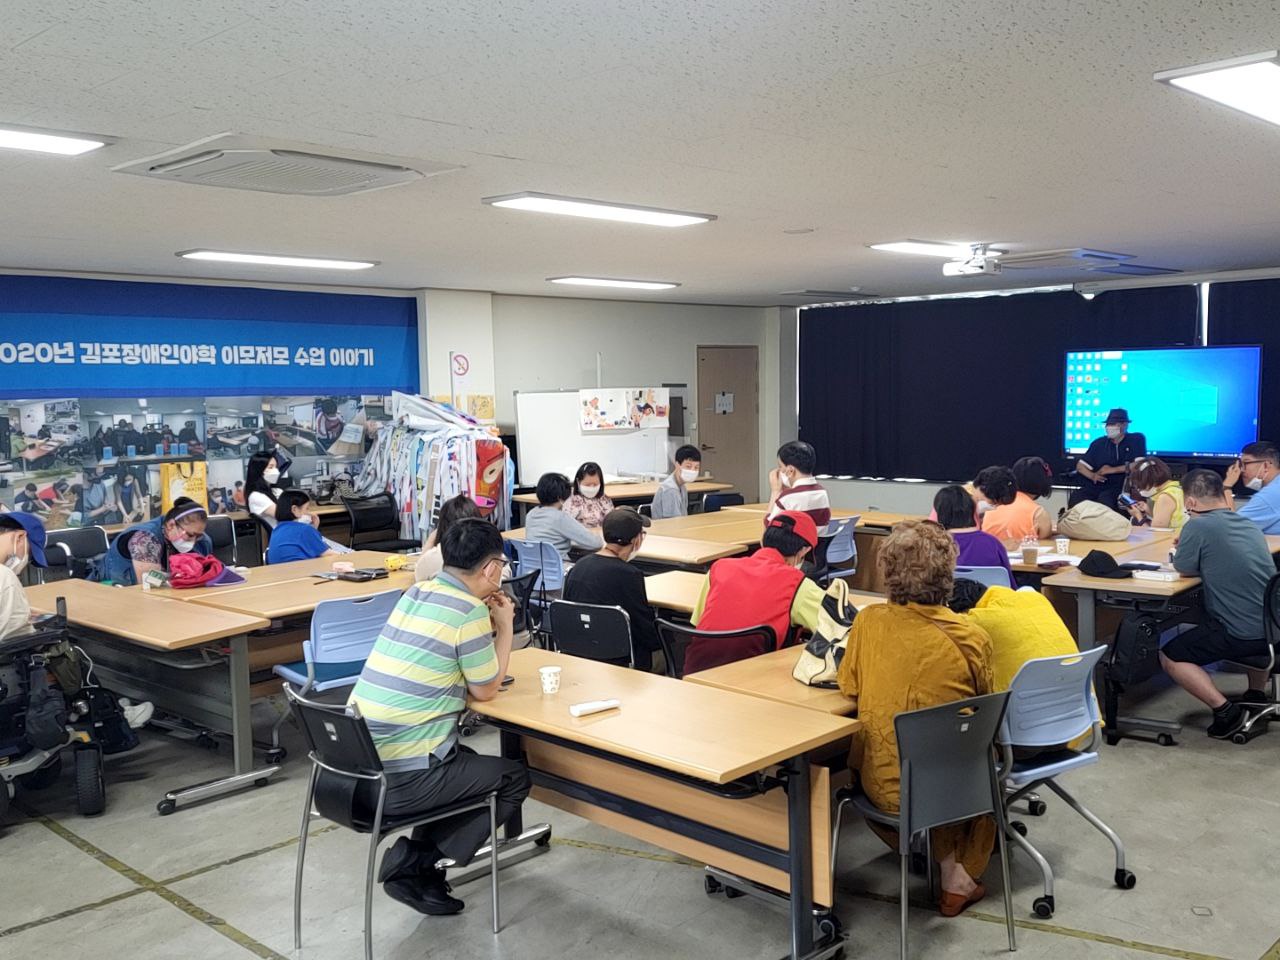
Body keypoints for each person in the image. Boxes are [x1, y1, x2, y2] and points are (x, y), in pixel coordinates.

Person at [348, 519, 531, 916]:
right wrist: (504, 626)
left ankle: (418, 869)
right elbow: (485, 690)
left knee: (465, 763)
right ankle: (416, 863)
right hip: (402, 775)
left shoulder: (416, 591)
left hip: (355, 767)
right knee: (511, 777)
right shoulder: (467, 612)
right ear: (491, 569)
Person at [836, 520, 995, 917]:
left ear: (887, 572)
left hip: (884, 787)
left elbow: (848, 686)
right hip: (959, 790)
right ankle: (956, 873)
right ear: (947, 573)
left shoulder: (869, 622)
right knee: (957, 751)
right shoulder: (972, 637)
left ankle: (929, 856)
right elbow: (985, 705)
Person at [1162, 469, 1276, 740]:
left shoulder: (1198, 525)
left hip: (1242, 633)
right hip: (1273, 626)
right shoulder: (1246, 524)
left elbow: (1185, 567)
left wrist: (1185, 546)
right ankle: (1256, 693)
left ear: (1190, 503)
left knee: (1169, 655)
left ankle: (1225, 711)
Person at [687, 511, 825, 671]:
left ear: (763, 540)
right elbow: (838, 627)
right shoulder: (797, 583)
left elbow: (698, 622)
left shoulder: (718, 568)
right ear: (803, 551)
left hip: (696, 675)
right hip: (755, 680)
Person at [563, 507, 661, 671]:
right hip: (620, 663)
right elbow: (645, 630)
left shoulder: (577, 568)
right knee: (677, 649)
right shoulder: (629, 575)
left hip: (579, 658)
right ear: (637, 540)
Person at [101, 497, 212, 586]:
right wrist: (182, 576)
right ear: (171, 525)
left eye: (198, 536)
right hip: (115, 592)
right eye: (190, 535)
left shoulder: (202, 540)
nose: (193, 541)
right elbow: (150, 583)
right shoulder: (144, 539)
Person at [1073, 408, 1146, 512]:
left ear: (1124, 425)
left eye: (1113, 424)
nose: (1109, 427)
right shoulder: (1099, 444)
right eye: (1108, 424)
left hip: (1121, 486)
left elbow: (1139, 464)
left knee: (1106, 499)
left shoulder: (1136, 439)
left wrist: (1110, 470)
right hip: (1099, 485)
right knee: (1078, 496)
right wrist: (1093, 475)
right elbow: (1080, 466)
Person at [932, 484, 1012, 578]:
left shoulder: (932, 545)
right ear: (971, 510)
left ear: (940, 513)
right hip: (988, 592)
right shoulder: (993, 543)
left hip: (948, 592)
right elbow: (1009, 584)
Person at [416, 495, 499, 582]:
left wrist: (430, 540)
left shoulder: (435, 556)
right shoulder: (493, 553)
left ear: (443, 526)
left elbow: (420, 577)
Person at [524, 472, 603, 562]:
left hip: (533, 569)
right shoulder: (560, 518)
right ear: (560, 497)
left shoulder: (531, 514)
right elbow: (596, 543)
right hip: (559, 568)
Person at [981, 457, 1053, 543]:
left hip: (987, 552)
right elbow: (1045, 540)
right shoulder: (1038, 513)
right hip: (1020, 554)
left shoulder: (994, 503)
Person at [0, 511, 48, 639]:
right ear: (20, 537)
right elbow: (16, 640)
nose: (26, 562)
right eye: (29, 554)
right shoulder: (5, 577)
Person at [766, 440, 831, 533]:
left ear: (790, 470)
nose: (779, 470)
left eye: (780, 467)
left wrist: (775, 491)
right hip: (814, 546)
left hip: (793, 547)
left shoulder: (787, 497)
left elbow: (767, 534)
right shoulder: (821, 492)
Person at [1225, 441, 1280, 535]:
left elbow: (1229, 528)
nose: (1241, 470)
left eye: (1245, 464)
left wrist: (1226, 487)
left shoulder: (1269, 495)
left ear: (1266, 465)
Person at [267, 490, 337, 563]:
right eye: (306, 508)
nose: (309, 512)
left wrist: (313, 528)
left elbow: (306, 543)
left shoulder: (276, 529)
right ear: (294, 509)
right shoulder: (304, 530)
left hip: (279, 572)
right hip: (300, 571)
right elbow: (328, 555)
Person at [1125, 457, 1186, 531]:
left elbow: (1156, 534)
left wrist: (1138, 516)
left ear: (1148, 480)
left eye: (1140, 485)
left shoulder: (1165, 497)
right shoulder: (1177, 489)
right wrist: (1149, 511)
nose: (1139, 489)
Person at [650, 445, 702, 520]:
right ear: (677, 465)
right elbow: (673, 523)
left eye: (696, 467)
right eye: (688, 466)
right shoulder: (671, 490)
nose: (692, 471)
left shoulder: (682, 486)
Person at [562, 462, 614, 529]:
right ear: (578, 482)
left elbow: (611, 520)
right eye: (587, 485)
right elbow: (566, 526)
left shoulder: (604, 498)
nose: (592, 488)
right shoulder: (571, 499)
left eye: (595, 484)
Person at [245, 450, 286, 528]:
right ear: (259, 470)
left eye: (276, 467)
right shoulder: (256, 496)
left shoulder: (276, 491)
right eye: (271, 467)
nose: (276, 470)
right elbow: (284, 516)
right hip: (281, 535)